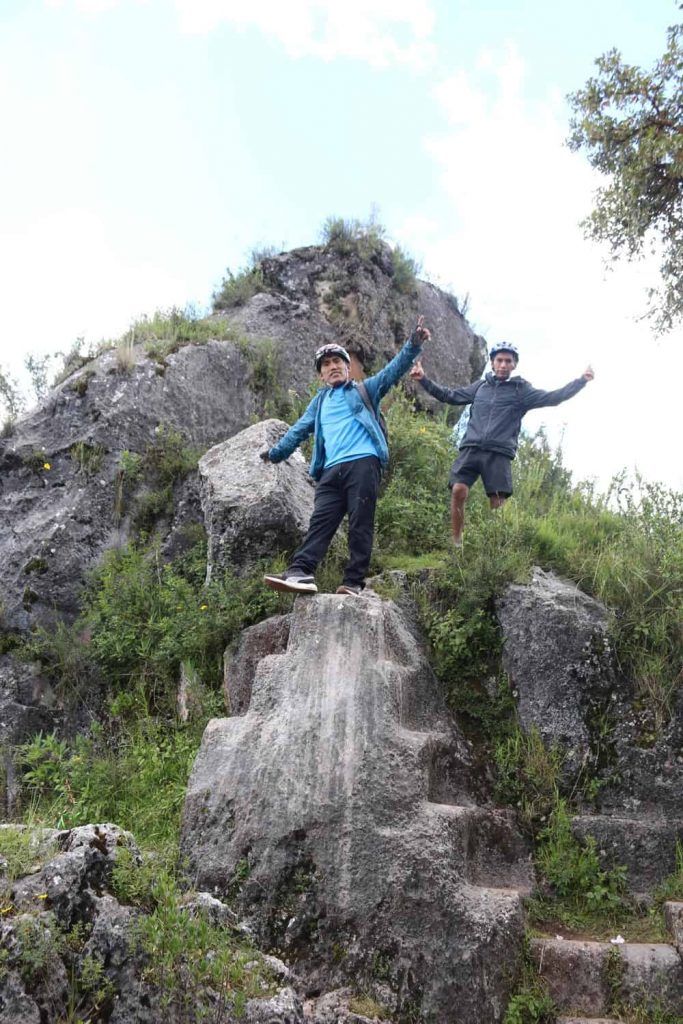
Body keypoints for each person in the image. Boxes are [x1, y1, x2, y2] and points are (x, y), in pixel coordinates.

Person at [260, 318, 430, 595]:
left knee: (360, 522)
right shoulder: (319, 402)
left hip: (363, 463)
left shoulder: (365, 390)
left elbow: (393, 371)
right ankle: (301, 572)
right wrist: (275, 454)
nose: (333, 367)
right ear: (321, 376)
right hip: (330, 471)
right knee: (320, 522)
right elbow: (299, 430)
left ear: (348, 367)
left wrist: (413, 344)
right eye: (326, 365)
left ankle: (353, 582)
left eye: (338, 361)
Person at [409, 343, 594, 547]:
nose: (503, 365)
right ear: (492, 363)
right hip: (471, 447)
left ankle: (495, 549)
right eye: (499, 360)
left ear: (514, 365)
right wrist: (423, 379)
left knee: (497, 502)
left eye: (508, 361)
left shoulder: (521, 390)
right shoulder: (480, 387)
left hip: (498, 453)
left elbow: (553, 397)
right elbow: (450, 396)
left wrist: (580, 382)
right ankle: (457, 543)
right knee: (458, 490)